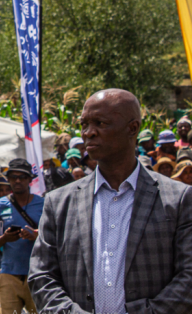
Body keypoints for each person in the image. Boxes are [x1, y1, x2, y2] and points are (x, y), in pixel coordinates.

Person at [29, 89, 192, 314]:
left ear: (132, 128)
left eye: (100, 123)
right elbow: (42, 275)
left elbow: (188, 277)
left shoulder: (178, 199)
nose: (89, 133)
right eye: (84, 124)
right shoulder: (58, 203)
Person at [0, 159, 43, 314]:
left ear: (30, 180)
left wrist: (35, 235)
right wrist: (4, 238)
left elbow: (54, 236)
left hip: (37, 272)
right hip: (9, 273)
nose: (17, 180)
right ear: (8, 179)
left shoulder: (43, 204)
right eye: (13, 177)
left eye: (22, 177)